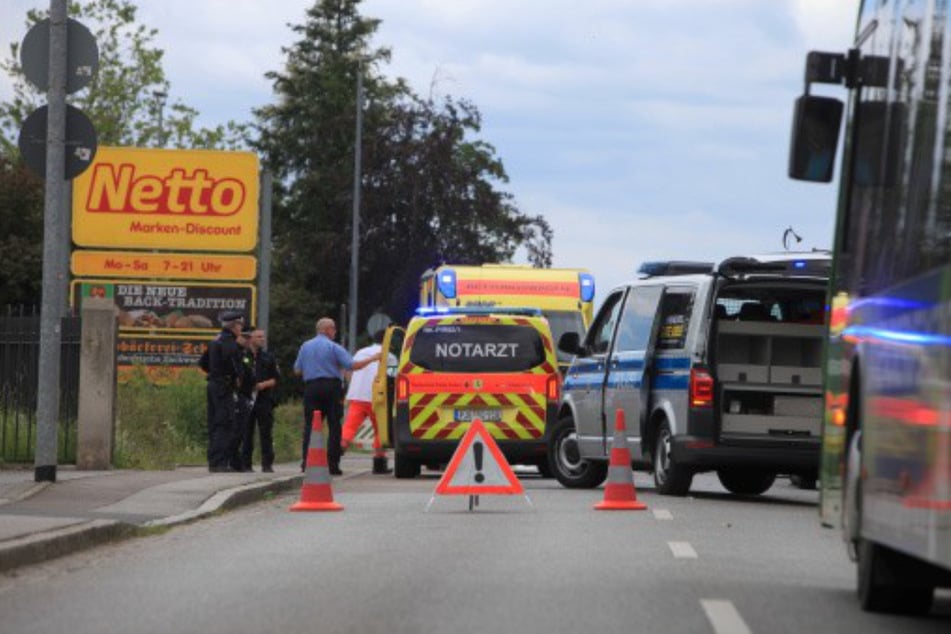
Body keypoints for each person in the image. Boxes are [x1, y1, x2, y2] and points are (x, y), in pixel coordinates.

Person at [293, 317, 380, 475]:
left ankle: (306, 463)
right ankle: (333, 465)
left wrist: (313, 368)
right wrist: (373, 359)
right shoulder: (334, 347)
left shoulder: (305, 346)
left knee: (310, 426)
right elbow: (353, 366)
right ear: (327, 330)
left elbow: (297, 370)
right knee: (334, 426)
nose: (335, 332)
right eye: (333, 329)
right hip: (331, 388)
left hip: (311, 388)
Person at [340, 330, 394, 474]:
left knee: (350, 426)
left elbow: (349, 369)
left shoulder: (360, 352)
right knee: (380, 430)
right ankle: (379, 461)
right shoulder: (389, 356)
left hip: (357, 395)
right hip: (378, 399)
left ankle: (341, 446)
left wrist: (352, 386)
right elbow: (393, 378)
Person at [202, 310, 244, 472]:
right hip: (224, 386)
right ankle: (219, 462)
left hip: (214, 384)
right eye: (240, 324)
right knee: (224, 423)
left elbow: (203, 362)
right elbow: (233, 365)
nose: (241, 328)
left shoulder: (216, 340)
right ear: (234, 326)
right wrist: (235, 378)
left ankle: (214, 460)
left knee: (214, 422)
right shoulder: (229, 342)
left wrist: (215, 372)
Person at [240, 328, 279, 472]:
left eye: (263, 337)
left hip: (264, 399)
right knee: (246, 432)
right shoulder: (244, 356)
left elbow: (275, 379)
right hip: (247, 398)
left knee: (266, 432)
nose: (262, 339)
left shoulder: (268, 357)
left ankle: (267, 464)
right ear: (250, 338)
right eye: (259, 337)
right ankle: (246, 464)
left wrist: (263, 385)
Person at [232, 323, 256, 472]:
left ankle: (238, 461)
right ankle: (234, 460)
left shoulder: (247, 354)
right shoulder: (235, 352)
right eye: (244, 337)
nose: (247, 341)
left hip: (246, 395)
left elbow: (248, 372)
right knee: (236, 430)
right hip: (238, 395)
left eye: (249, 338)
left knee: (242, 430)